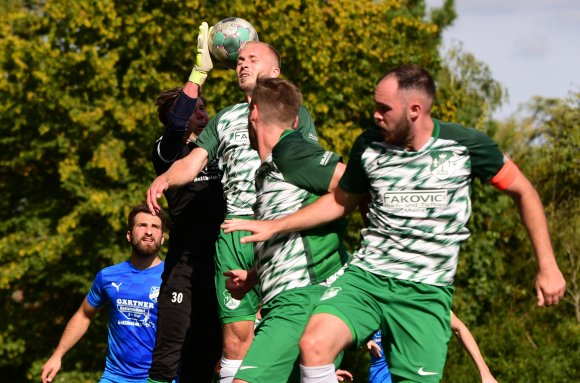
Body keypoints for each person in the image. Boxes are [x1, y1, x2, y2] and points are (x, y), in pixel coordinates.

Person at [221, 64, 566, 382]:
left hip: (422, 291)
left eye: (384, 108)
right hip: (366, 280)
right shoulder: (369, 145)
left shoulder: (465, 145)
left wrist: (547, 265)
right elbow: (341, 201)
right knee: (314, 343)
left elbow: (524, 191)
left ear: (415, 110)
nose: (375, 114)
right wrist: (274, 228)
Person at [146, 23, 318, 383]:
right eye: (239, 59)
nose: (242, 64)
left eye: (252, 59)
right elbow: (190, 162)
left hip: (279, 230)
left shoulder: (296, 114)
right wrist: (165, 178)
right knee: (233, 341)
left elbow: (312, 168)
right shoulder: (224, 118)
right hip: (233, 234)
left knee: (292, 335)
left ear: (274, 71)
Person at [223, 77, 349, 383]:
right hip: (289, 300)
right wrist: (254, 276)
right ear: (295, 118)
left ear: (252, 112)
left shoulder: (291, 151)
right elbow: (298, 232)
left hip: (302, 301)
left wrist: (274, 225)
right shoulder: (273, 166)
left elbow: (352, 185)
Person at [147, 86, 225, 383]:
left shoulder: (217, 153)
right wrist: (198, 75)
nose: (203, 114)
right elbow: (177, 123)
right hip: (184, 264)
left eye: (205, 108)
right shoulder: (168, 150)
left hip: (221, 262)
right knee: (168, 356)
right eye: (195, 109)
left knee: (207, 359)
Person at [41, 203, 166, 383]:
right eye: (142, 225)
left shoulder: (174, 279)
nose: (148, 231)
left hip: (159, 378)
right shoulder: (108, 276)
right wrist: (57, 354)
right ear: (129, 236)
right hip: (115, 377)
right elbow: (84, 314)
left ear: (162, 238)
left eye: (155, 227)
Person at [366, 312, 497, 383]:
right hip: (381, 377)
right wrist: (365, 339)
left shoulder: (423, 301)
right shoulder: (377, 298)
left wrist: (485, 373)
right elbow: (351, 325)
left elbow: (459, 328)